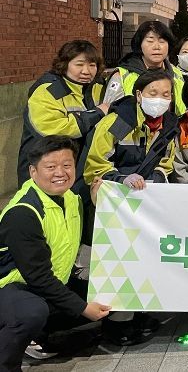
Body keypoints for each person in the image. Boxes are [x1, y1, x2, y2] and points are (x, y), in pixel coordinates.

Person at [0, 136, 111, 369]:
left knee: (108, 290)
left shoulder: (71, 199)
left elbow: (82, 240)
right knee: (30, 313)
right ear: (33, 171)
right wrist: (82, 308)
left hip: (41, 285)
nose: (60, 172)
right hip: (10, 288)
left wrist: (94, 205)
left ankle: (36, 336)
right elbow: (38, 277)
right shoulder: (23, 213)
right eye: (50, 167)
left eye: (67, 165)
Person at [18, 40, 108, 187]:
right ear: (64, 64)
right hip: (44, 170)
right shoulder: (48, 90)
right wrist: (96, 113)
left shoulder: (96, 87)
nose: (86, 71)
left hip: (76, 170)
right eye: (79, 64)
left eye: (92, 65)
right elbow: (54, 128)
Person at [81, 70, 178, 189]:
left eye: (165, 95)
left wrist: (158, 176)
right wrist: (122, 179)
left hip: (149, 194)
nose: (159, 99)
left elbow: (166, 163)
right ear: (139, 95)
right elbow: (95, 167)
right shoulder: (118, 123)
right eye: (153, 94)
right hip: (117, 194)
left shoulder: (169, 126)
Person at [103, 21, 186, 115]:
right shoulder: (121, 76)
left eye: (162, 41)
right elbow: (107, 111)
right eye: (150, 41)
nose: (157, 47)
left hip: (171, 128)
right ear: (140, 44)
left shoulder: (176, 74)